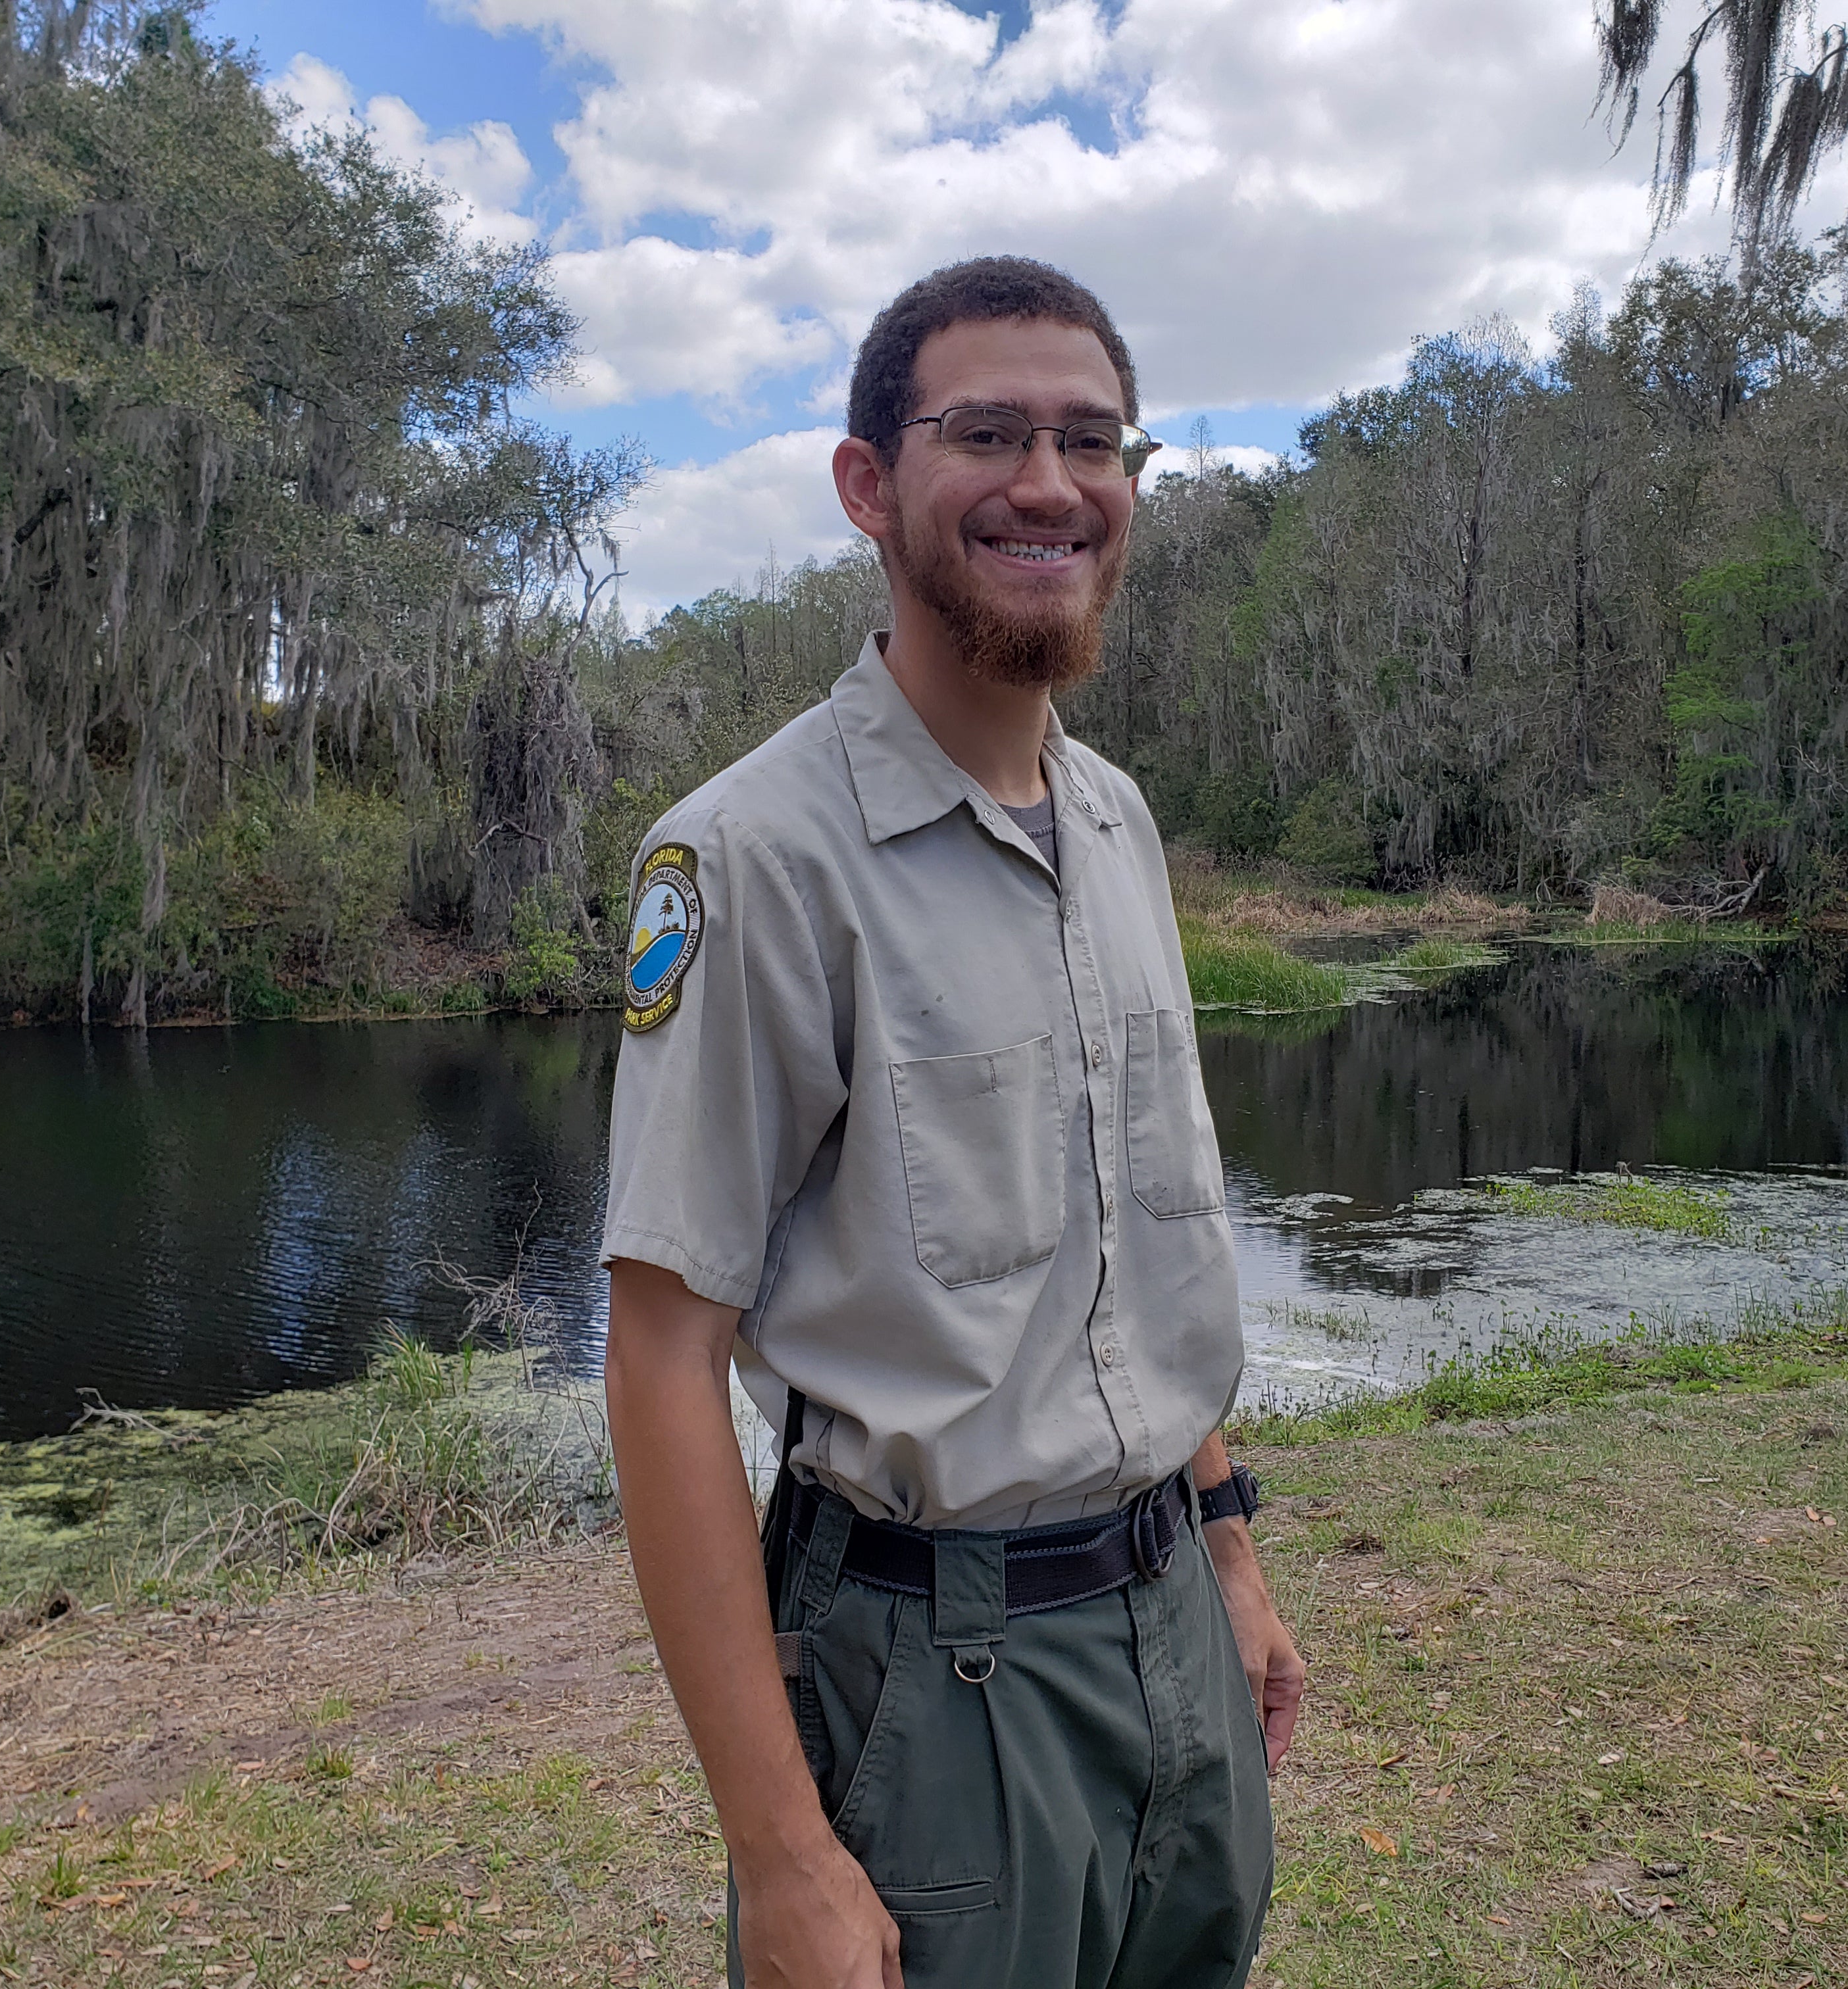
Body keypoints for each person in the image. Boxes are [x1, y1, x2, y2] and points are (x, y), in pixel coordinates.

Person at [600, 255, 1304, 1989]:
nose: (1048, 482)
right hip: (933, 1680)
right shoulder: (751, 859)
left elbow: (1137, 1249)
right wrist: (780, 1860)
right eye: (986, 431)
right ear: (868, 485)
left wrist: (1225, 1547)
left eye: (1090, 438)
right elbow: (662, 1365)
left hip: (1172, 1635)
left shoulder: (1124, 824)